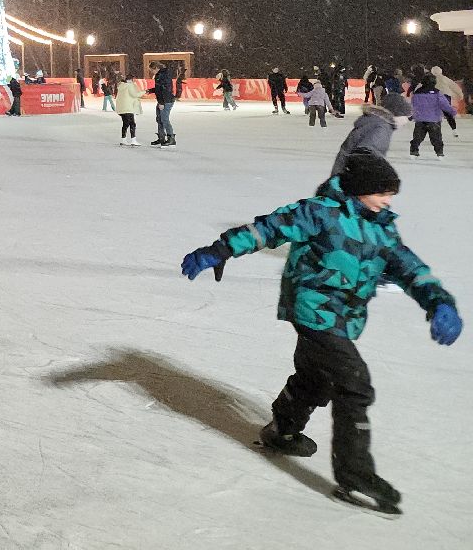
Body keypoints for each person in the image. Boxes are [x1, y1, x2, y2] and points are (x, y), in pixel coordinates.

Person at [180, 149, 461, 514]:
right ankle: (355, 475)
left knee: (317, 378)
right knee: (354, 384)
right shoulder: (319, 212)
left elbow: (410, 268)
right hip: (312, 310)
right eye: (382, 192)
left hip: (346, 318)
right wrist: (219, 250)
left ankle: (282, 429)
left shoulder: (382, 226)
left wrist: (439, 302)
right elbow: (267, 229)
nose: (388, 200)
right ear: (360, 188)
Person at [331, 92, 411, 175]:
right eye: (404, 116)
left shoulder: (378, 122)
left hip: (345, 172)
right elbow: (364, 156)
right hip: (352, 177)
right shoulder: (381, 127)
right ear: (396, 115)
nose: (406, 120)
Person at [409, 73, 456, 159]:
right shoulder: (437, 93)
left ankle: (414, 151)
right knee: (436, 138)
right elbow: (444, 105)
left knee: (418, 137)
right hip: (434, 120)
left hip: (420, 119)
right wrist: (452, 111)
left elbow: (413, 105)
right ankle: (439, 153)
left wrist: (411, 115)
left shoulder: (417, 92)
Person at [148, 63, 175, 147]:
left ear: (156, 68)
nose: (151, 72)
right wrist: (150, 90)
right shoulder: (160, 75)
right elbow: (158, 88)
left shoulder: (163, 75)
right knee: (159, 119)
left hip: (166, 100)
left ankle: (171, 139)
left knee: (164, 119)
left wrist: (162, 102)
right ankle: (161, 137)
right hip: (163, 100)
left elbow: (165, 90)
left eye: (151, 70)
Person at [115, 72, 143, 145]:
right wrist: (145, 92)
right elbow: (135, 94)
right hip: (128, 107)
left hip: (122, 107)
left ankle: (123, 139)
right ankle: (133, 140)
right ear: (131, 79)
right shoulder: (129, 85)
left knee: (125, 124)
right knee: (132, 124)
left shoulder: (121, 86)